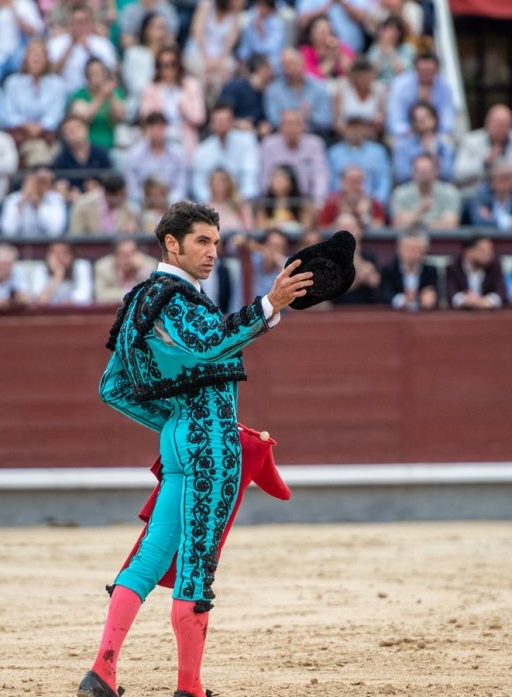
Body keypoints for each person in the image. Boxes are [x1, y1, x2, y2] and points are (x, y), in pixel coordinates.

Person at [79, 200, 311, 697]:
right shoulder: (176, 298)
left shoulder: (141, 300)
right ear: (172, 243)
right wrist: (269, 305)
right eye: (202, 241)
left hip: (183, 441)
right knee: (196, 566)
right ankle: (190, 688)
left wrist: (179, 422)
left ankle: (102, 670)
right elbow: (208, 344)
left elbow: (113, 388)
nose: (212, 253)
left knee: (148, 560)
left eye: (216, 243)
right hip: (210, 449)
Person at [3, 40, 67, 167]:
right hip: (21, 135)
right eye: (32, 54)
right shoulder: (13, 83)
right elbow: (9, 113)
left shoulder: (57, 84)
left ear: (47, 59)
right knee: (39, 153)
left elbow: (56, 114)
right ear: (25, 58)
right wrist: (26, 126)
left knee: (58, 154)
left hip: (48, 136)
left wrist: (40, 127)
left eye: (40, 55)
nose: (36, 58)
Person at [453, 103, 512, 195]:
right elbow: (458, 174)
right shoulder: (470, 141)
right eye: (498, 124)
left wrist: (510, 189)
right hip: (478, 196)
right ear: (487, 123)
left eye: (505, 125)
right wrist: (484, 162)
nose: (501, 129)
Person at [139, 47, 207, 157]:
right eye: (165, 65)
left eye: (173, 64)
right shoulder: (151, 88)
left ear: (179, 65)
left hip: (184, 138)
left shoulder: (192, 86)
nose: (169, 69)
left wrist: (184, 109)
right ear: (158, 67)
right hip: (159, 137)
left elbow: (199, 117)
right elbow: (145, 115)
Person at [191, 103, 259, 203]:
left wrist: (241, 200)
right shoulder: (202, 150)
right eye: (218, 121)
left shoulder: (247, 142)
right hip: (210, 206)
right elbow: (198, 183)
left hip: (241, 203)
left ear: (232, 122)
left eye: (225, 121)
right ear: (211, 124)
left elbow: (251, 177)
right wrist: (210, 203)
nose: (222, 124)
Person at [259, 109, 329, 205]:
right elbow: (265, 175)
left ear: (304, 127)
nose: (292, 128)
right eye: (288, 124)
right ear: (280, 127)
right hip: (277, 199)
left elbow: (320, 174)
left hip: (307, 199)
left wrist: (318, 200)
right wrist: (270, 200)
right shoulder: (269, 144)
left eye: (297, 124)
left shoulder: (315, 144)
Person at [47, 6, 118, 92]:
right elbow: (51, 73)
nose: (80, 26)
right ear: (70, 23)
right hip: (64, 93)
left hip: (95, 94)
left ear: (91, 23)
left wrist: (90, 49)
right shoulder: (56, 43)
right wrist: (70, 47)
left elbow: (111, 73)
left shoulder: (103, 44)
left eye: (85, 22)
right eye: (77, 22)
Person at [182, 0, 243, 100]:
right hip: (198, 50)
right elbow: (197, 32)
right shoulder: (206, 5)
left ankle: (215, 106)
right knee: (202, 70)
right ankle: (199, 104)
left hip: (220, 54)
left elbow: (229, 44)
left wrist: (218, 61)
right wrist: (206, 59)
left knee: (226, 70)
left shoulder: (236, 13)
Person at [386, 52, 456, 138]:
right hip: (406, 135)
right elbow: (395, 120)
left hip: (436, 134)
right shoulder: (400, 85)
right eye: (422, 71)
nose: (425, 74)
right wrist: (412, 134)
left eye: (429, 71)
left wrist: (436, 135)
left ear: (436, 70)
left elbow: (447, 117)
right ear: (415, 69)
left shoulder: (445, 87)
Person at [263, 48, 333, 134]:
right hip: (283, 137)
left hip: (314, 134)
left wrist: (310, 116)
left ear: (302, 63)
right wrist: (295, 118)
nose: (288, 68)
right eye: (284, 64)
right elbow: (273, 120)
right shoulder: (273, 90)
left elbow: (326, 120)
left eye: (292, 63)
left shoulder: (319, 87)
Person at [124, 113, 188, 206]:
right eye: (152, 128)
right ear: (146, 129)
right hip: (143, 204)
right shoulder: (134, 153)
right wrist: (145, 202)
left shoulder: (178, 153)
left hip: (171, 205)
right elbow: (132, 186)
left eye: (159, 128)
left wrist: (169, 204)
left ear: (165, 129)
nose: (156, 132)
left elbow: (181, 186)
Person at [326, 116, 391, 207]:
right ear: (344, 130)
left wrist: (376, 204)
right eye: (351, 128)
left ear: (366, 130)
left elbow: (383, 181)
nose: (355, 132)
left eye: (359, 128)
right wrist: (337, 202)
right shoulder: (334, 153)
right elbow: (331, 182)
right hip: (340, 204)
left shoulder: (378, 152)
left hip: (371, 203)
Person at [122, 12, 176, 118]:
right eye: (158, 28)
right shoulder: (134, 53)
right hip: (141, 107)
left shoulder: (171, 56)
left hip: (170, 107)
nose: (162, 32)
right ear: (146, 30)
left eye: (164, 28)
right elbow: (136, 87)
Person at [389, 154, 461, 230]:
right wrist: (420, 211)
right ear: (412, 172)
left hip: (440, 239)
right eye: (419, 171)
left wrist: (416, 224)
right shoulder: (400, 193)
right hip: (410, 239)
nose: (424, 175)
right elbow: (398, 225)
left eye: (427, 171)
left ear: (436, 171)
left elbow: (450, 225)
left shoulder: (450, 193)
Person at [69, 58, 127, 152]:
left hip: (111, 145)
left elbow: (120, 117)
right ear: (87, 77)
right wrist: (101, 96)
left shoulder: (115, 93)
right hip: (88, 148)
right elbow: (83, 118)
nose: (99, 77)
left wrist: (111, 96)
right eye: (95, 73)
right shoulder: (80, 95)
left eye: (102, 73)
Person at [392, 101, 456, 184]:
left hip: (440, 187)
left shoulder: (445, 145)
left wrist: (433, 154)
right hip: (413, 188)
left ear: (435, 119)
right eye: (418, 119)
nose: (422, 121)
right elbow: (402, 175)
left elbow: (448, 174)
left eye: (426, 117)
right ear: (413, 123)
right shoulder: (402, 147)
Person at [377, 229, 439, 311]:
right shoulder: (389, 270)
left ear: (424, 251)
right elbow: (384, 295)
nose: (412, 254)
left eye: (416, 249)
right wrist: (402, 300)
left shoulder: (431, 271)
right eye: (408, 249)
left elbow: (437, 294)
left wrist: (430, 298)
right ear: (399, 249)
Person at [0, 166, 68, 237]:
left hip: (46, 245)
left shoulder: (55, 198)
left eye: (49, 181)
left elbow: (56, 231)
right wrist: (21, 203)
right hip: (19, 245)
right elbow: (8, 231)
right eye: (41, 181)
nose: (47, 185)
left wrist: (37, 205)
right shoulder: (13, 199)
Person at [52, 115, 114, 193]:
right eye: (69, 131)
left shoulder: (101, 154)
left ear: (86, 129)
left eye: (77, 128)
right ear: (64, 136)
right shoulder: (60, 160)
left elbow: (111, 180)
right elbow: (59, 185)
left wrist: (99, 187)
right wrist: (68, 192)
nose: (74, 133)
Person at [470, 160, 512, 231]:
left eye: (508, 177)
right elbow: (478, 221)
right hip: (489, 237)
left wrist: (492, 219)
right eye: (501, 177)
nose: (504, 182)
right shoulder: (481, 194)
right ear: (492, 179)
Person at [68, 173, 140, 236]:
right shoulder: (83, 205)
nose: (124, 198)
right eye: (121, 195)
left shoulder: (127, 206)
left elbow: (134, 228)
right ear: (107, 194)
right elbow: (76, 233)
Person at [446, 236, 506, 311]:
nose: (489, 254)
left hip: (488, 314)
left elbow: (501, 291)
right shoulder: (454, 266)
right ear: (468, 252)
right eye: (483, 250)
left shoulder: (494, 266)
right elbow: (450, 292)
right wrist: (464, 300)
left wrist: (488, 300)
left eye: (490, 249)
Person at [318, 165, 385, 232]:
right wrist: (343, 222)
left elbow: (379, 227)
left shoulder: (372, 202)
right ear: (342, 181)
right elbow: (323, 228)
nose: (355, 185)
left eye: (359, 181)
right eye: (352, 181)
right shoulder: (331, 202)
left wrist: (364, 216)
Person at [218, 56, 274, 134]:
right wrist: (237, 124)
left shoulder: (265, 94)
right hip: (232, 134)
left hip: (255, 137)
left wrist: (264, 126)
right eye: (269, 68)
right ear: (261, 69)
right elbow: (220, 113)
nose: (272, 72)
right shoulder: (235, 87)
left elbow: (263, 120)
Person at [93, 238, 159, 303]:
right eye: (122, 253)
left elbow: (153, 293)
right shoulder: (103, 267)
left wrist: (142, 270)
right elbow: (100, 295)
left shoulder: (149, 265)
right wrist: (130, 292)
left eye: (132, 252)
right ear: (115, 256)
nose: (128, 258)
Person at [333, 58, 386, 135]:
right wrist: (352, 135)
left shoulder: (379, 91)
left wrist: (365, 133)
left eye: (367, 78)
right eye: (361, 78)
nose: (364, 81)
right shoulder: (342, 89)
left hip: (370, 137)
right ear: (354, 77)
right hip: (345, 137)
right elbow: (337, 123)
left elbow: (381, 123)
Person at [296, 0, 372, 53]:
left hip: (355, 51)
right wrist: (328, 5)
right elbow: (303, 21)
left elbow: (363, 18)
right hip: (319, 54)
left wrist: (344, 2)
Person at [256, 164, 313, 235]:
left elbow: (307, 228)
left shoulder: (301, 203)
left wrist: (292, 225)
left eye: (282, 178)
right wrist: (275, 224)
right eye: (275, 177)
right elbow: (260, 228)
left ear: (292, 182)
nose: (278, 182)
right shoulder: (265, 204)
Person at [236, 0, 285, 73]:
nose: (259, 9)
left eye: (263, 6)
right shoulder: (251, 20)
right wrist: (243, 60)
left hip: (271, 60)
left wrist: (261, 32)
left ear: (270, 8)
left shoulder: (277, 23)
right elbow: (245, 45)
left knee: (270, 62)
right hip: (253, 59)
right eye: (258, 5)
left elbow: (270, 49)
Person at [299, 15, 354, 80]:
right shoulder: (305, 51)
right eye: (322, 32)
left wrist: (339, 54)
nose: (326, 35)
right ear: (311, 34)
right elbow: (313, 77)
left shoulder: (340, 47)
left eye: (328, 31)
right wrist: (331, 59)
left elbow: (352, 71)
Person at [366, 16, 415, 86]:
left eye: (392, 30)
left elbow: (404, 74)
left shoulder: (407, 49)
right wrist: (380, 54)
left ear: (400, 33)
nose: (388, 33)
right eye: (385, 29)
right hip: (379, 87)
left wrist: (391, 52)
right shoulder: (375, 48)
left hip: (400, 87)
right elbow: (371, 75)